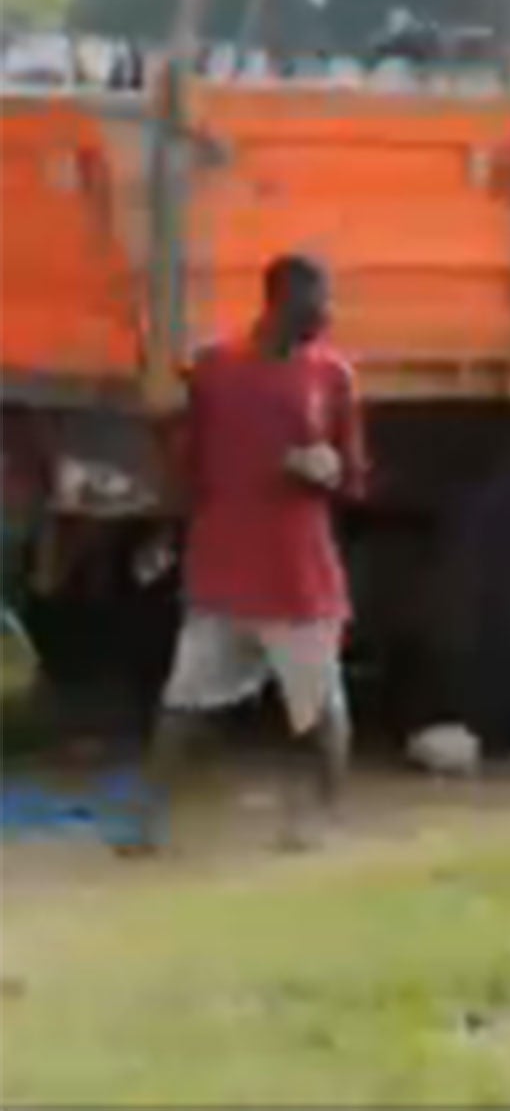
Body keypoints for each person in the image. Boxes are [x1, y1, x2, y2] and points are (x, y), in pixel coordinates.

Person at [117, 254, 368, 855]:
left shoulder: (332, 378)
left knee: (320, 710)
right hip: (224, 575)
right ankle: (150, 824)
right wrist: (165, 529)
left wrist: (327, 472)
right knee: (181, 706)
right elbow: (187, 463)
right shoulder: (216, 371)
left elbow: (355, 476)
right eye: (316, 306)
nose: (327, 317)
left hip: (298, 580)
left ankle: (321, 819)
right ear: (278, 303)